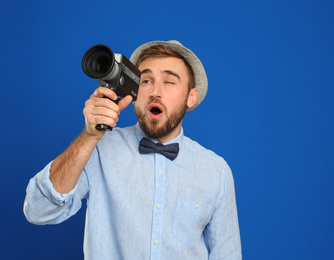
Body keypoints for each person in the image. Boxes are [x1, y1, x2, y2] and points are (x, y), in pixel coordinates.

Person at [24, 40, 241, 259]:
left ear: (190, 97)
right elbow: (38, 210)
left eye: (169, 81)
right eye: (146, 80)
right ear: (135, 90)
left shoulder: (216, 171)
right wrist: (88, 137)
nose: (155, 92)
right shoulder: (99, 148)